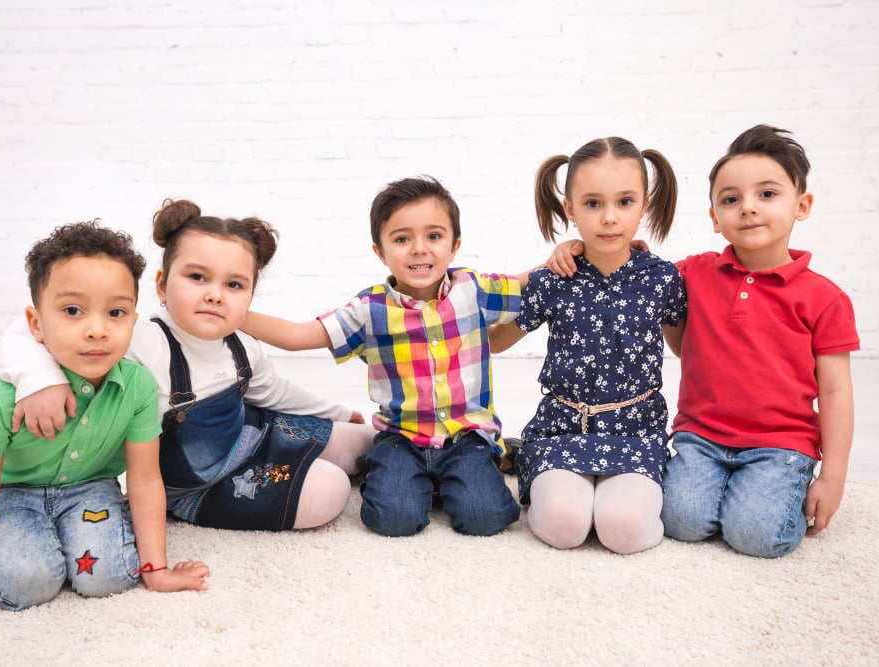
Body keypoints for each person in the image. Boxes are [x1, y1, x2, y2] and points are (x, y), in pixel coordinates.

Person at [547, 125, 859, 558]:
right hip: (701, 438)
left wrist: (835, 474)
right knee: (682, 522)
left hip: (780, 443)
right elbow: (627, 272)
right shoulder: (693, 272)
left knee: (756, 535)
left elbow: (837, 390)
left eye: (767, 194)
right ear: (714, 216)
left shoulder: (824, 297)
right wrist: (577, 247)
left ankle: (770, 487)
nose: (748, 208)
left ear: (801, 205)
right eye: (731, 199)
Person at [0, 222, 209, 623]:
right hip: (13, 496)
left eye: (116, 312)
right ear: (36, 323)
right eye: (72, 311)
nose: (97, 330)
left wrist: (157, 571)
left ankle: (85, 536)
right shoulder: (1, 396)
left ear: (133, 318)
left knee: (107, 577)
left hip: (90, 491)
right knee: (30, 582)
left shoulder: (138, 387)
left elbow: (144, 479)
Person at [0, 200, 375, 532]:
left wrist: (339, 412)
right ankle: (199, 505)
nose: (214, 293)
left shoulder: (243, 344)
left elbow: (274, 392)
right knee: (332, 491)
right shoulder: (143, 338)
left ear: (249, 298)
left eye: (234, 285)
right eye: (197, 277)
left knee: (363, 441)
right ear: (161, 285)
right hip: (199, 484)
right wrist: (41, 380)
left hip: (251, 436)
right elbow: (24, 329)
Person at [241, 176, 530, 537]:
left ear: (454, 246)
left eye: (434, 236)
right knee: (393, 519)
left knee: (484, 518)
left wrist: (564, 258)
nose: (419, 249)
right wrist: (237, 313)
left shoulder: (472, 289)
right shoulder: (368, 309)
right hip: (401, 437)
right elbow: (300, 335)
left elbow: (528, 284)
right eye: (402, 239)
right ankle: (400, 474)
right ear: (380, 251)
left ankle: (494, 462)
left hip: (467, 436)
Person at [489, 137, 685, 554]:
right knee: (564, 527)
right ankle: (534, 466)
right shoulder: (555, 278)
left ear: (645, 204)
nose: (610, 218)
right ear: (570, 209)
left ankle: (620, 502)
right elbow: (495, 342)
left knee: (624, 530)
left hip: (635, 431)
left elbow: (687, 348)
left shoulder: (663, 279)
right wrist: (538, 270)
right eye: (593, 204)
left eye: (625, 202)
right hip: (561, 429)